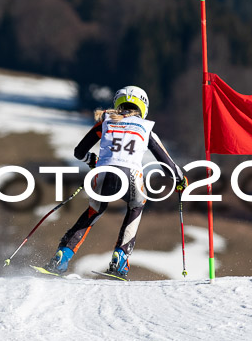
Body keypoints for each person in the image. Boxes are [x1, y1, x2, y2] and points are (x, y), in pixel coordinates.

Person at [44, 85, 187, 278]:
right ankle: (120, 260)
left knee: (94, 211)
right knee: (136, 206)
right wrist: (180, 180)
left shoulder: (105, 121)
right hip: (132, 175)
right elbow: (169, 166)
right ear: (143, 107)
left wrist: (92, 161)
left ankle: (62, 257)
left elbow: (79, 152)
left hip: (103, 172)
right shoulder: (147, 128)